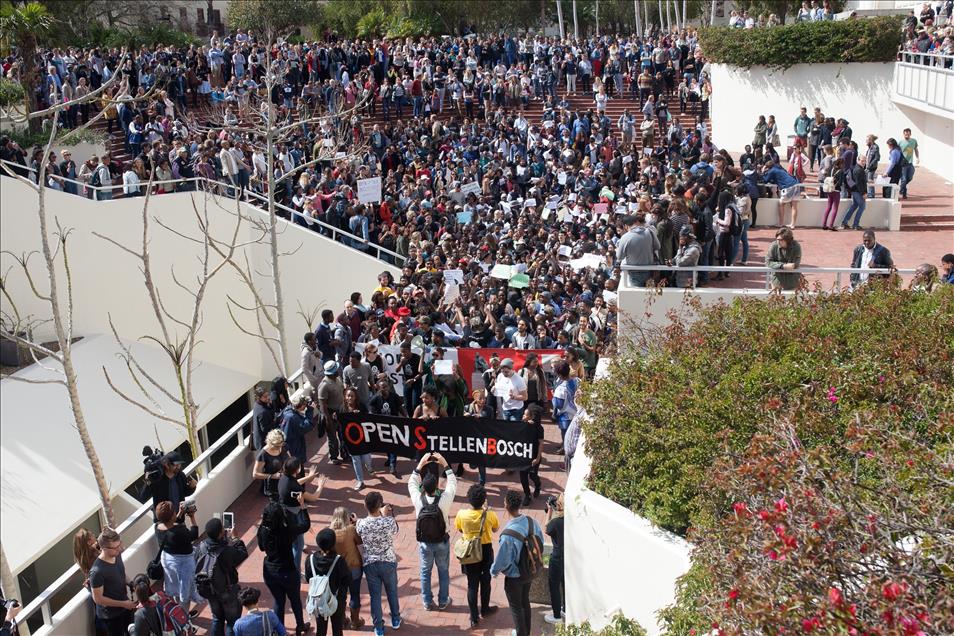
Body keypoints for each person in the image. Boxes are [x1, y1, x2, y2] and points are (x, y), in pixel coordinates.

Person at [490, 489, 544, 636]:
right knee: (525, 601)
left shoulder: (508, 535)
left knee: (516, 608)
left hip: (515, 577)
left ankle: (521, 633)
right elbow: (541, 542)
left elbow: (503, 560)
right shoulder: (532, 522)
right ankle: (526, 632)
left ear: (506, 506)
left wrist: (493, 571)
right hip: (530, 569)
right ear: (520, 504)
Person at [408, 452, 457, 611]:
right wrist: (445, 464)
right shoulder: (444, 500)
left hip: (424, 543)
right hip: (442, 541)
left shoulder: (418, 500)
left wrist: (420, 465)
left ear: (423, 487)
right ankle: (443, 600)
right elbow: (452, 483)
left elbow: (411, 483)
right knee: (443, 571)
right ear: (436, 486)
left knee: (425, 572)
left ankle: (427, 602)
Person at [258, 498, 311, 636]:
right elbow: (305, 525)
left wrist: (262, 523)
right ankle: (300, 626)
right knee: (295, 599)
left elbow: (261, 547)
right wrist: (303, 507)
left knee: (279, 601)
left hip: (270, 571)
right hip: (287, 570)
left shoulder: (263, 530)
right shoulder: (287, 531)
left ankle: (280, 630)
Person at [454, 483, 500, 628]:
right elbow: (495, 528)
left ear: (469, 499)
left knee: (472, 585)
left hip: (469, 552)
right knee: (485, 581)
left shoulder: (461, 514)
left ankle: (474, 618)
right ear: (484, 500)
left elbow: (460, 529)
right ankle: (485, 609)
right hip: (485, 550)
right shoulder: (490, 515)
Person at [355, 491, 402, 636]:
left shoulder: (361, 523)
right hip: (388, 562)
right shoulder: (388, 521)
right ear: (380, 505)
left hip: (370, 564)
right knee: (392, 591)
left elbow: (358, 529)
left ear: (365, 505)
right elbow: (395, 530)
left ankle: (379, 627)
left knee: (375, 596)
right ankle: (395, 619)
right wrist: (385, 514)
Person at [196, 518, 249, 636]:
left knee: (217, 618)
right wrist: (235, 538)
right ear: (220, 533)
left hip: (210, 589)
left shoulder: (201, 547)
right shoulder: (226, 551)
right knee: (232, 622)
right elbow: (242, 553)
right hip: (228, 591)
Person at [154, 501, 201, 616]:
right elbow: (194, 534)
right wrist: (192, 516)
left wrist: (180, 513)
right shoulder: (179, 532)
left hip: (169, 563)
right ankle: (183, 620)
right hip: (183, 564)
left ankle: (176, 612)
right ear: (172, 516)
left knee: (174, 588)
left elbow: (172, 524)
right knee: (185, 594)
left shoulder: (158, 527)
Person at [304, 529, 352, 636]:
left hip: (319, 598)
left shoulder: (310, 559)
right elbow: (347, 579)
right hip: (336, 599)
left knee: (320, 628)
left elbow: (308, 578)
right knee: (337, 628)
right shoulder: (338, 560)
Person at [89, 528, 137, 636]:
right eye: (115, 547)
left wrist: (131, 583)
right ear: (104, 549)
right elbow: (98, 599)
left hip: (125, 606)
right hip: (111, 616)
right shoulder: (97, 571)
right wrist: (123, 604)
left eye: (119, 544)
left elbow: (121, 574)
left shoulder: (117, 554)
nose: (119, 549)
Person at [329, 507, 366, 631]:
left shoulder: (330, 533)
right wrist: (355, 523)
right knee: (355, 594)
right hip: (354, 567)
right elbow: (360, 543)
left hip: (338, 570)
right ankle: (355, 622)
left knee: (340, 596)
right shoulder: (351, 529)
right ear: (347, 518)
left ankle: (342, 620)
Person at [130, 564, 191, 636]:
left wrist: (131, 629)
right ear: (149, 585)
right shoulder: (161, 595)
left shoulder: (140, 613)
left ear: (134, 589)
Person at [369, 374, 406, 475]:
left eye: (385, 387)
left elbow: (401, 408)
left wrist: (406, 418)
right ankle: (390, 459)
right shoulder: (375, 399)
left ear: (389, 387)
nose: (384, 389)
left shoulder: (394, 396)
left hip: (394, 425)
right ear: (378, 388)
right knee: (386, 445)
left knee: (393, 444)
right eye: (382, 387)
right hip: (382, 426)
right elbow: (372, 413)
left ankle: (392, 465)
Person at [142, 450, 197, 515]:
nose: (178, 467)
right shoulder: (157, 480)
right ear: (167, 465)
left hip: (179, 517)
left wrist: (192, 487)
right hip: (163, 521)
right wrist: (148, 482)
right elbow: (143, 497)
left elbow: (184, 493)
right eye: (175, 465)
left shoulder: (180, 475)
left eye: (179, 464)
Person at [616, 213, 660, 287]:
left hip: (634, 274)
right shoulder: (649, 232)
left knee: (638, 297)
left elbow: (619, 257)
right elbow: (658, 246)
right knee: (650, 296)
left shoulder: (625, 237)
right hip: (649, 271)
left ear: (625, 226)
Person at [317, 360, 348, 465]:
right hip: (330, 413)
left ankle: (344, 454)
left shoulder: (338, 379)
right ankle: (333, 456)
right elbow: (323, 405)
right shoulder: (324, 385)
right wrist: (328, 419)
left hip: (340, 411)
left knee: (343, 434)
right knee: (332, 438)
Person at [543, 494, 565, 625]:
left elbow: (546, 528)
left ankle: (556, 615)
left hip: (557, 557)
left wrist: (549, 512)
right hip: (568, 556)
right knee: (565, 582)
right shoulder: (572, 519)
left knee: (554, 585)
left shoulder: (556, 522)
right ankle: (566, 609)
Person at [517, 405, 544, 506]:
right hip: (523, 455)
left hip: (534, 456)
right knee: (523, 476)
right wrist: (524, 424)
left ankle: (538, 485)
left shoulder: (539, 429)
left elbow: (541, 443)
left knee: (532, 475)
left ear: (532, 417)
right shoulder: (523, 424)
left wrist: (537, 458)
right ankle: (527, 495)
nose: (523, 416)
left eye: (525, 415)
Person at [761, 160, 801, 228]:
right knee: (794, 206)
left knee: (781, 204)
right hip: (796, 185)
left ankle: (781, 223)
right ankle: (793, 224)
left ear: (768, 167)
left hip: (788, 187)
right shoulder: (779, 169)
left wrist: (763, 171)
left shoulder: (772, 171)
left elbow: (765, 180)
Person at [281, 393, 315, 467]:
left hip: (289, 443)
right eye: (305, 404)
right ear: (302, 405)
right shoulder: (292, 417)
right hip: (293, 446)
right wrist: (310, 411)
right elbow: (307, 426)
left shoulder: (287, 410)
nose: (306, 406)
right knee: (297, 467)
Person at [551, 361, 579, 444]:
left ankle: (565, 448)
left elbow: (558, 405)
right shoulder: (577, 381)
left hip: (565, 417)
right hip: (576, 413)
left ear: (559, 374)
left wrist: (554, 397)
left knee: (565, 434)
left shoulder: (561, 389)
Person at [840, 158, 869, 230]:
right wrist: (863, 193)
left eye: (865, 161)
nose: (864, 162)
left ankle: (844, 222)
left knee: (854, 206)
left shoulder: (856, 168)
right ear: (858, 160)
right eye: (862, 161)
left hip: (854, 190)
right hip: (858, 191)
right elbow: (859, 183)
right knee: (862, 207)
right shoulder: (859, 170)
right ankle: (855, 224)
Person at [252, 384, 278, 451]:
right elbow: (265, 428)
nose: (268, 397)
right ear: (259, 397)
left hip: (260, 441)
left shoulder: (257, 404)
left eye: (268, 395)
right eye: (265, 396)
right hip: (264, 443)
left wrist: (270, 404)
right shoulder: (262, 411)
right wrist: (275, 421)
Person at [898, 127, 919, 199]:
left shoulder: (914, 141)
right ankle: (902, 192)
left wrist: (917, 158)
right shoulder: (900, 142)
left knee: (909, 178)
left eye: (908, 134)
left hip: (910, 163)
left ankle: (902, 188)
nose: (906, 135)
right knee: (903, 179)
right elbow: (897, 152)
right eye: (905, 134)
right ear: (903, 134)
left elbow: (916, 149)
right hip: (903, 164)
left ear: (910, 134)